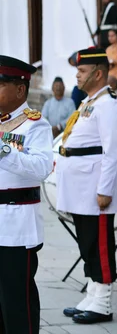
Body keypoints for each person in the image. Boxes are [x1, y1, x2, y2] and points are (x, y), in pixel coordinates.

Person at [57, 48, 117, 324]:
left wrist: (105, 189)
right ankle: (92, 294)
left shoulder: (109, 104)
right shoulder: (89, 102)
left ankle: (103, 302)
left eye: (82, 71)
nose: (77, 75)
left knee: (100, 246)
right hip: (80, 185)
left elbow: (111, 151)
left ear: (97, 73)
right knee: (87, 243)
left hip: (94, 186)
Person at [0, 55, 53, 333]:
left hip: (17, 225)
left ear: (20, 90)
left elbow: (42, 168)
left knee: (17, 300)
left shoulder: (35, 125)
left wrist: (3, 150)